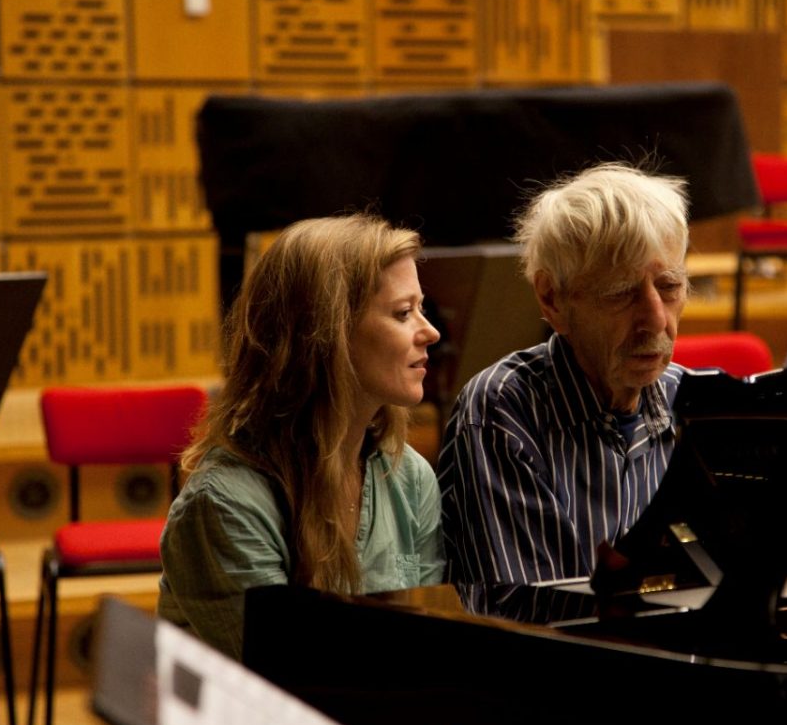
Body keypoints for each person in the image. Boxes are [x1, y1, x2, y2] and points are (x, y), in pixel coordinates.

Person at [157, 213, 445, 661]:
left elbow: (430, 650)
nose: (431, 332)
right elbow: (291, 682)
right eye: (403, 313)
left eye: (421, 309)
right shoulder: (225, 503)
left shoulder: (410, 476)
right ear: (329, 335)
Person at [437, 162, 689, 585]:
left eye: (669, 286)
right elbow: (529, 617)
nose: (655, 319)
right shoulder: (503, 411)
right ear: (552, 299)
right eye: (620, 293)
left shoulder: (692, 401)